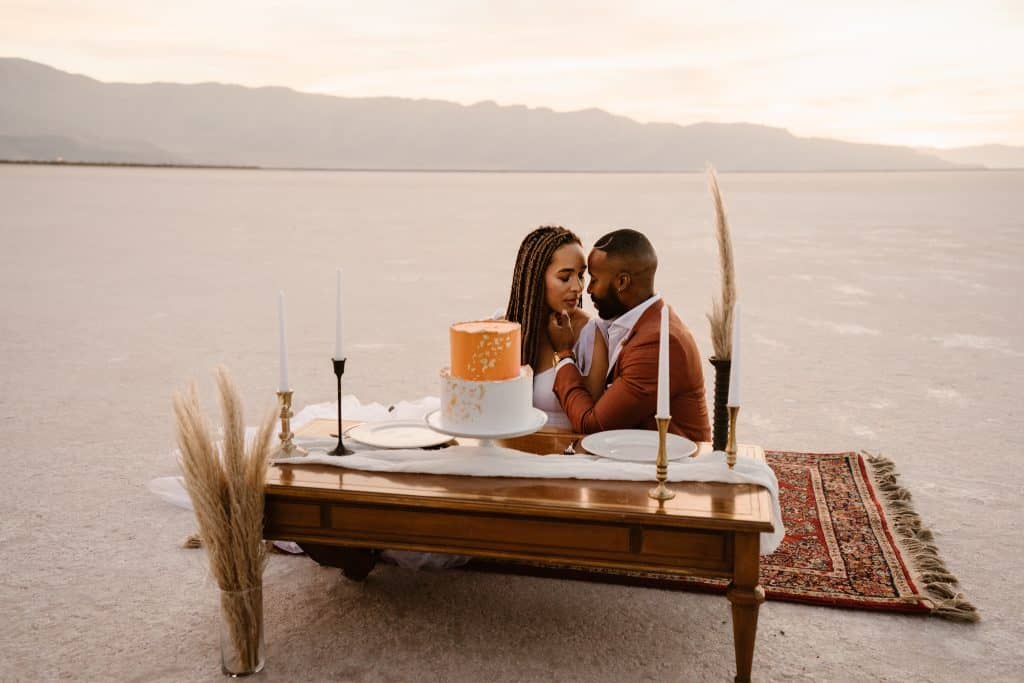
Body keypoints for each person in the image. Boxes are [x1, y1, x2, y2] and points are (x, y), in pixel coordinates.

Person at [547, 228, 711, 442]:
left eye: (594, 280)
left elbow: (593, 425)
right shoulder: (641, 322)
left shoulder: (659, 342)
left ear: (622, 282)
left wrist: (564, 354)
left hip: (673, 467)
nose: (587, 290)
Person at [505, 226, 609, 430]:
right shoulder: (506, 328)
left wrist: (565, 352)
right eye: (564, 277)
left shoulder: (590, 334)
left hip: (566, 456)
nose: (578, 287)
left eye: (581, 275)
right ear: (535, 279)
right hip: (514, 451)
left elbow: (590, 422)